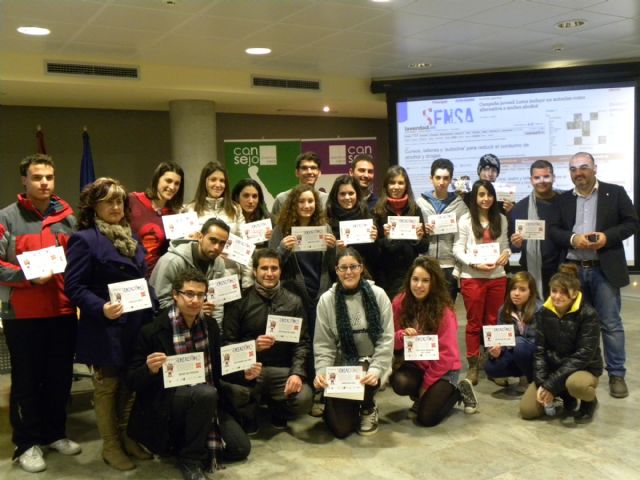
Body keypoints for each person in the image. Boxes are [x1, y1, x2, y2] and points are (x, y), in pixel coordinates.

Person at [127, 269, 261, 480]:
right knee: (205, 393)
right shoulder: (153, 330)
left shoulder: (210, 326)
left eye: (200, 295)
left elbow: (218, 368)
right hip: (168, 402)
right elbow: (132, 380)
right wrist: (149, 369)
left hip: (207, 400)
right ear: (175, 294)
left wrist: (244, 373)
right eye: (189, 294)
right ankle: (191, 459)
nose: (195, 300)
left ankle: (187, 443)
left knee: (240, 448)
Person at [64, 178, 154, 471]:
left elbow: (142, 280)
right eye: (108, 202)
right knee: (108, 387)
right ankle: (110, 445)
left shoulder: (131, 237)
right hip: (105, 327)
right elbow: (74, 286)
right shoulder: (85, 239)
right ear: (94, 207)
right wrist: (101, 307)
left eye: (119, 201)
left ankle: (126, 436)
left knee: (129, 383)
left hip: (135, 323)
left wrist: (155, 308)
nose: (115, 207)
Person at [0, 154, 80, 473]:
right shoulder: (7, 218)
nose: (44, 183)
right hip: (23, 315)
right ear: (24, 180)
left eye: (49, 177)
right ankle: (27, 443)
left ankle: (54, 433)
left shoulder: (68, 218)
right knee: (27, 381)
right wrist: (27, 276)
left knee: (60, 378)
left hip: (62, 311)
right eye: (37, 177)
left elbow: (77, 262)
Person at [548, 151, 639, 399]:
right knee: (578, 325)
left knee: (610, 324)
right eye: (573, 169)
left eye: (584, 167)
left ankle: (617, 374)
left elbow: (632, 223)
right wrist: (572, 239)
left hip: (604, 269)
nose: (578, 173)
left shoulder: (615, 192)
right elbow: (553, 230)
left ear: (594, 169)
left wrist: (607, 237)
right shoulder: (563, 199)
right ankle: (584, 371)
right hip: (573, 271)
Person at [223, 249, 312, 434]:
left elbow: (302, 343)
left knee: (303, 398)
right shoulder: (238, 301)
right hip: (249, 368)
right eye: (264, 268)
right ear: (254, 271)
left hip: (282, 369)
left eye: (274, 268)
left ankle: (279, 410)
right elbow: (227, 342)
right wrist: (252, 348)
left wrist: (297, 373)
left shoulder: (294, 302)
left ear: (280, 271)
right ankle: (248, 415)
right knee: (236, 393)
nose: (269, 273)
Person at [313, 248, 394, 438]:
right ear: (336, 270)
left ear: (361, 268)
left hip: (371, 361)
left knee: (365, 375)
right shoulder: (326, 300)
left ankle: (367, 406)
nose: (348, 272)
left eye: (353, 267)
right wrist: (322, 372)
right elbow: (324, 344)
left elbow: (386, 338)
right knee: (340, 429)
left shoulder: (378, 295)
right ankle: (345, 404)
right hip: (341, 366)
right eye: (343, 268)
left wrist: (377, 369)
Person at [390, 256, 478, 427]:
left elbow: (447, 355)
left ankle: (458, 391)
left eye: (425, 281)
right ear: (409, 280)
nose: (419, 285)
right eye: (415, 279)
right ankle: (424, 398)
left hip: (444, 369)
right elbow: (393, 343)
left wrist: (425, 385)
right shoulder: (399, 302)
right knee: (400, 382)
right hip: (417, 364)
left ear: (434, 283)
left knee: (426, 419)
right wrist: (401, 336)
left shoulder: (444, 311)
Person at [520, 264, 603, 423]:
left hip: (583, 369)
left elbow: (583, 355)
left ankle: (589, 401)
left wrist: (552, 385)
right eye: (554, 291)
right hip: (554, 369)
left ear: (574, 293)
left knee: (576, 385)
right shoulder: (543, 312)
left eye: (564, 292)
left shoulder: (588, 314)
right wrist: (543, 383)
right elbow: (539, 351)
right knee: (527, 410)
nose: (557, 296)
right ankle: (565, 395)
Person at [453, 180, 510, 385]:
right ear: (475, 197)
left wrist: (506, 254)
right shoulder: (466, 220)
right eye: (481, 195)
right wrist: (474, 263)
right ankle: (473, 366)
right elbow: (457, 249)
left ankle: (493, 364)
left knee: (493, 322)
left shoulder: (501, 219)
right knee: (474, 323)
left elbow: (505, 245)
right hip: (472, 278)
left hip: (497, 277)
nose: (486, 199)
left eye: (489, 194)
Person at [268, 184, 336, 337]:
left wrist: (333, 249)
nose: (306, 205)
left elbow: (332, 266)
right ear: (293, 204)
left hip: (320, 294)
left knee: (321, 339)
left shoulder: (325, 228)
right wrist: (282, 249)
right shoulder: (281, 229)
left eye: (310, 201)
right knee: (298, 340)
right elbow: (270, 265)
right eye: (301, 201)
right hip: (293, 296)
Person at [150, 217, 229, 326]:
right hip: (167, 324)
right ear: (200, 237)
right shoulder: (172, 261)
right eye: (213, 240)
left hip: (200, 322)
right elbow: (161, 303)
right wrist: (193, 312)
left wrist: (217, 329)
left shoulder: (219, 263)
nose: (217, 247)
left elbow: (217, 304)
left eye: (222, 243)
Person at [184, 162, 252, 288]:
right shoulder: (190, 209)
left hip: (230, 279)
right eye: (213, 179)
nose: (218, 184)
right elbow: (185, 249)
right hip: (199, 279)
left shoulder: (235, 209)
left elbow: (245, 247)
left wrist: (248, 282)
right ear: (204, 182)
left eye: (222, 180)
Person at [373, 165, 428, 300]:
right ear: (386, 185)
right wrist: (386, 239)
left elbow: (424, 246)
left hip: (410, 273)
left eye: (400, 183)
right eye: (392, 183)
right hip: (385, 276)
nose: (396, 187)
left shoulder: (415, 209)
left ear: (406, 185)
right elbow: (373, 248)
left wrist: (418, 239)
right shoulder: (377, 211)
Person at [417, 158, 469, 301]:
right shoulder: (420, 204)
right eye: (438, 177)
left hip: (449, 267)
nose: (441, 182)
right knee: (423, 308)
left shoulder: (460, 206)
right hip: (425, 264)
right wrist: (422, 231)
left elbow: (464, 240)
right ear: (431, 178)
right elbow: (413, 235)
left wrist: (456, 271)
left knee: (446, 310)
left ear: (451, 180)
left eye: (446, 178)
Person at [509, 159, 561, 299]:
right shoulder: (519, 208)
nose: (541, 181)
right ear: (531, 180)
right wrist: (516, 244)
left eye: (546, 176)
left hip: (562, 270)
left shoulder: (566, 202)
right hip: (531, 271)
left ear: (553, 177)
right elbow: (513, 246)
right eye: (537, 177)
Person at [484, 271, 540, 391]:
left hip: (536, 356)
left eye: (522, 290)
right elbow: (500, 338)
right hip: (516, 352)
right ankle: (523, 374)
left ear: (531, 292)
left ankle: (535, 382)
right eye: (513, 289)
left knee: (519, 344)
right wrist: (497, 351)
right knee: (490, 367)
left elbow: (543, 342)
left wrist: (518, 343)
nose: (516, 293)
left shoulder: (540, 310)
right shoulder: (503, 310)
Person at [129, 162, 184, 275]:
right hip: (129, 271)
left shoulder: (174, 215)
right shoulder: (132, 200)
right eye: (168, 181)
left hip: (156, 275)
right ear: (157, 179)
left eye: (177, 183)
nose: (172, 187)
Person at [326, 175, 379, 273]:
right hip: (338, 275)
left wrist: (374, 240)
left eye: (351, 193)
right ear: (335, 196)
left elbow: (376, 257)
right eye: (342, 194)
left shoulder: (367, 217)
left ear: (357, 194)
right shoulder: (327, 219)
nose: (347, 197)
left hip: (365, 274)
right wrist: (335, 250)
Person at [270, 152, 329, 218]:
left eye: (313, 168)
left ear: (319, 173)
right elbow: (275, 223)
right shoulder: (282, 199)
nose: (309, 172)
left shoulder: (327, 199)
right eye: (304, 168)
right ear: (297, 172)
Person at [231, 178, 273, 248]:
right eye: (246, 196)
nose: (251, 201)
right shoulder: (228, 218)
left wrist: (272, 239)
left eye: (254, 196)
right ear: (237, 197)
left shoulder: (269, 219)